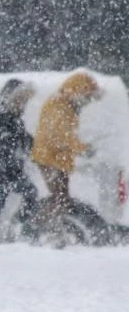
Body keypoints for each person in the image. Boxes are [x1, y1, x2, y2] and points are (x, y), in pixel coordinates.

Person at [30, 72, 101, 247]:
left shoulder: (67, 105)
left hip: (57, 159)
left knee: (62, 200)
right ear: (78, 91)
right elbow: (60, 135)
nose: (87, 101)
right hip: (50, 159)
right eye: (87, 97)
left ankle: (51, 230)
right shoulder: (58, 105)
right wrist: (82, 148)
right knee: (60, 200)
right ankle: (37, 229)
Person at [0, 79, 38, 242]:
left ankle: (17, 224)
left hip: (11, 170)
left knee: (28, 193)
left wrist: (35, 145)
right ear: (10, 97)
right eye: (20, 99)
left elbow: (23, 140)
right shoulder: (0, 115)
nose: (23, 104)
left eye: (25, 100)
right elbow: (1, 144)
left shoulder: (14, 117)